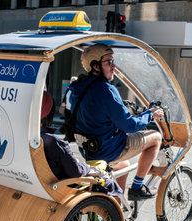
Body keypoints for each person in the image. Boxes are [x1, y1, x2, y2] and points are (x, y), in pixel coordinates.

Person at [68, 44, 164, 201]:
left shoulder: (77, 87)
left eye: (113, 61)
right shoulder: (106, 90)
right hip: (108, 149)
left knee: (124, 166)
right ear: (95, 65)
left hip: (88, 149)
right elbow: (129, 125)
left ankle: (115, 207)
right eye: (108, 62)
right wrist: (150, 114)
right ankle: (137, 188)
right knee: (155, 137)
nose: (114, 67)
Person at [41, 89, 122, 197]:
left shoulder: (34, 138)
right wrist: (87, 168)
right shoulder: (54, 141)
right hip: (63, 187)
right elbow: (75, 171)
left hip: (43, 184)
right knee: (109, 183)